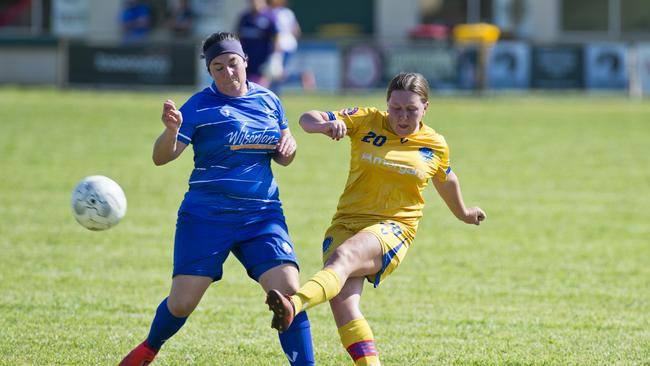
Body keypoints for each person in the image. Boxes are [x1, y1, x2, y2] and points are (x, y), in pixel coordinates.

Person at [119, 32, 314, 366]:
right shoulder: (197, 106)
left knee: (289, 293)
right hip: (207, 216)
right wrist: (170, 131)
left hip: (261, 216)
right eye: (218, 67)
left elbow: (283, 151)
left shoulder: (269, 100)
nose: (228, 73)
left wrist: (290, 147)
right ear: (210, 71)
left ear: (245, 62)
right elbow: (161, 158)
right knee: (181, 304)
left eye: (232, 64)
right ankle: (149, 347)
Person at [266, 72, 487, 365]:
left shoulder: (434, 144)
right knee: (344, 306)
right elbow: (306, 119)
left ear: (426, 108)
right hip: (346, 222)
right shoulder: (367, 119)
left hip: (394, 227)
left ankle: (293, 304)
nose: (402, 116)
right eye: (396, 108)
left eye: (411, 109)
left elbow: (446, 180)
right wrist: (325, 125)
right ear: (386, 104)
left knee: (344, 257)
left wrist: (465, 213)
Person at [236, 0, 279, 87]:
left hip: (262, 57)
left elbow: (276, 37)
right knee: (244, 81)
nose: (254, 3)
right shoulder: (245, 17)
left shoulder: (269, 17)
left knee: (260, 83)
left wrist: (275, 56)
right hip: (246, 56)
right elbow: (238, 36)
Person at [268, 0, 301, 94]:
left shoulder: (272, 12)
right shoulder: (288, 12)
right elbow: (297, 30)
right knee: (278, 72)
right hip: (290, 45)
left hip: (279, 46)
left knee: (276, 73)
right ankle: (301, 77)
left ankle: (275, 93)